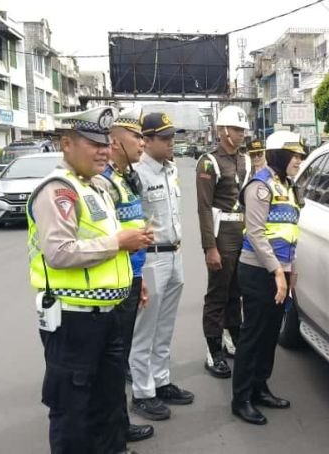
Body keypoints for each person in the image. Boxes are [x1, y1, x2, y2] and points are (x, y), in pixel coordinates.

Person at [26, 106, 153, 453]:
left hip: (107, 314)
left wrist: (130, 269)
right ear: (66, 144)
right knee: (73, 412)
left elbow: (104, 245)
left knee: (108, 402)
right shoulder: (59, 190)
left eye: (106, 143)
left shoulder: (95, 187)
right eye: (93, 143)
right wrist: (119, 243)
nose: (103, 151)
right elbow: (60, 252)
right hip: (74, 320)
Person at [231, 130, 305, 426]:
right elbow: (256, 234)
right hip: (258, 271)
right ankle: (241, 399)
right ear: (279, 155)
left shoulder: (287, 187)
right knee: (253, 334)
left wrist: (291, 270)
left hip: (279, 271)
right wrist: (277, 271)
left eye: (300, 156)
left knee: (270, 334)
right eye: (294, 155)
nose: (298, 161)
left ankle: (260, 388)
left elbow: (289, 233)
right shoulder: (260, 186)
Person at [95, 105, 156, 444]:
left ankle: (119, 423)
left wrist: (139, 277)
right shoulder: (104, 182)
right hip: (114, 283)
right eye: (136, 137)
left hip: (130, 277)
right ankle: (112, 429)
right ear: (116, 141)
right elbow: (106, 237)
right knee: (113, 362)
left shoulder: (125, 178)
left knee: (120, 359)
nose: (142, 143)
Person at [130, 112, 194, 421]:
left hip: (174, 254)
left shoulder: (170, 170)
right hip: (152, 258)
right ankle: (143, 393)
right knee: (145, 328)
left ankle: (161, 380)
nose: (171, 143)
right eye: (165, 138)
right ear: (146, 140)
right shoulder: (137, 174)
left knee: (165, 325)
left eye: (172, 137)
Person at [196, 105, 252, 378]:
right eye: (236, 129)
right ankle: (213, 349)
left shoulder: (246, 161)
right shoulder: (209, 162)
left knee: (236, 291)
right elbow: (204, 207)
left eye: (243, 130)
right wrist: (210, 247)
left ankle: (232, 337)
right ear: (222, 130)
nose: (241, 134)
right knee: (218, 293)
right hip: (222, 232)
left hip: (242, 230)